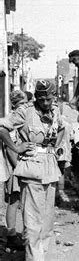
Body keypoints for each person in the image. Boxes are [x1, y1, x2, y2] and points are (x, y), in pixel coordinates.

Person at [0, 80, 66, 261]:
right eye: (42, 99)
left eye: (49, 99)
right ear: (36, 97)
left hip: (50, 169)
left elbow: (61, 128)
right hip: (31, 170)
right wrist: (16, 147)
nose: (45, 103)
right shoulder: (25, 111)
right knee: (32, 224)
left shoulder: (56, 110)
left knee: (47, 223)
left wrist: (56, 146)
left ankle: (43, 257)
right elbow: (2, 128)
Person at [1, 90, 28, 251]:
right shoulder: (14, 118)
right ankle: (11, 236)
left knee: (16, 200)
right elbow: (10, 147)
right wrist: (18, 166)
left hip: (16, 165)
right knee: (15, 201)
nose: (25, 106)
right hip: (15, 166)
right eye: (22, 103)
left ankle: (14, 235)